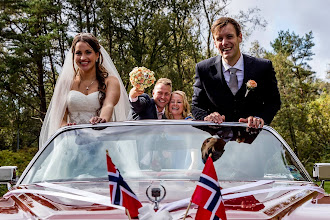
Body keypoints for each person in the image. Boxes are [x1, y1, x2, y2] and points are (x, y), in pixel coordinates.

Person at [39, 33, 131, 148]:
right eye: (78, 53)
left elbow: (108, 105)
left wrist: (101, 120)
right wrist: (67, 127)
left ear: (97, 55)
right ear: (73, 56)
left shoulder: (111, 82)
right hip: (73, 144)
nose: (83, 58)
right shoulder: (65, 84)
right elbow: (59, 117)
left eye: (88, 52)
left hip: (102, 143)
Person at [191, 17, 281, 128]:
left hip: (254, 140)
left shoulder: (263, 67)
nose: (224, 43)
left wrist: (260, 118)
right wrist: (206, 117)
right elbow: (196, 106)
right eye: (219, 39)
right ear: (214, 43)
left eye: (229, 36)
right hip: (217, 141)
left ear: (240, 37)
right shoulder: (203, 69)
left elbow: (274, 102)